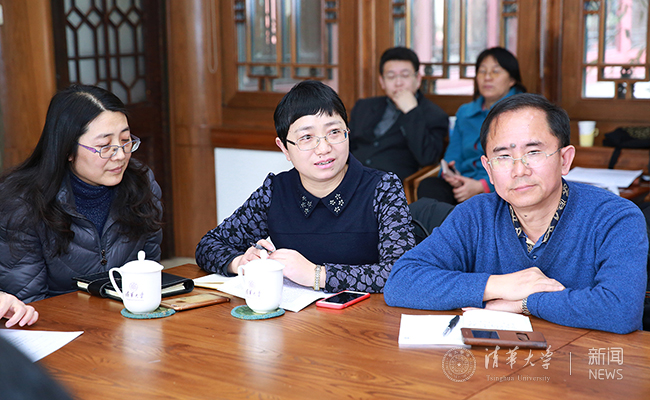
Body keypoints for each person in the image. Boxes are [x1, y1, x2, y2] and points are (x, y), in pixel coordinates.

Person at [384, 93, 647, 334]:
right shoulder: (475, 215)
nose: (519, 170)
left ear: (564, 159)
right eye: (503, 157)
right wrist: (501, 285)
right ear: (488, 169)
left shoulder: (615, 218)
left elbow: (621, 310)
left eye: (533, 152)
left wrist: (525, 303)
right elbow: (401, 282)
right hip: (496, 363)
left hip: (584, 364)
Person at [196, 80, 415, 293]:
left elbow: (402, 274)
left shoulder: (382, 188)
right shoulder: (275, 192)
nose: (324, 148)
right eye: (307, 137)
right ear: (284, 148)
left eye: (334, 132)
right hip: (295, 315)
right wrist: (240, 262)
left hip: (366, 315)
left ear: (347, 132)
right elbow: (209, 245)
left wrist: (316, 275)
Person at [0, 85, 163, 303]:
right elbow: (29, 302)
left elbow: (150, 274)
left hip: (126, 315)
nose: (120, 155)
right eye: (104, 146)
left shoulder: (142, 184)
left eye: (125, 140)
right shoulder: (23, 203)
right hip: (58, 320)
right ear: (67, 150)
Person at [417, 47, 527, 204]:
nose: (487, 77)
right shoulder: (465, 112)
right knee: (429, 186)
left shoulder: (523, 111)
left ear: (512, 79)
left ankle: (456, 218)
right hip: (463, 185)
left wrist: (482, 186)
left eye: (496, 71)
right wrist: (451, 175)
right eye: (482, 71)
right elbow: (453, 155)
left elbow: (522, 161)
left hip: (502, 186)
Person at [349, 47, 448, 181]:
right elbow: (347, 146)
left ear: (418, 79)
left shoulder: (435, 115)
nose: (398, 83)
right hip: (352, 178)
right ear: (382, 81)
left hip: (390, 184)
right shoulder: (364, 107)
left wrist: (411, 112)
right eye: (391, 76)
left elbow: (427, 158)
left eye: (405, 75)